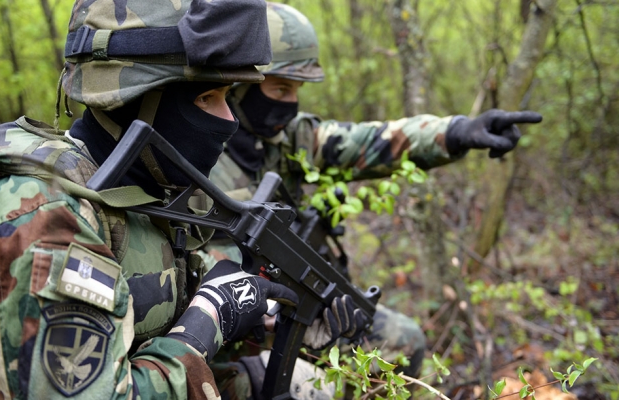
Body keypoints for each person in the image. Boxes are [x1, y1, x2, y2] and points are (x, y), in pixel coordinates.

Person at [0, 1, 361, 398]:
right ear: (133, 96)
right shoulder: (43, 213)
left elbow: (149, 331)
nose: (230, 121)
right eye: (207, 98)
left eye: (228, 95)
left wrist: (269, 324)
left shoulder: (140, 195)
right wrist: (210, 319)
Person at [201, 1, 544, 394]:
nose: (291, 103)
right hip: (218, 324)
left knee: (403, 342)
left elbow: (374, 141)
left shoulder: (291, 139)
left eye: (297, 90)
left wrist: (458, 132)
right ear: (241, 83)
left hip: (296, 309)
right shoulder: (196, 152)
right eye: (281, 88)